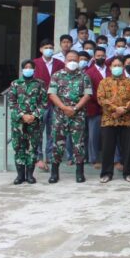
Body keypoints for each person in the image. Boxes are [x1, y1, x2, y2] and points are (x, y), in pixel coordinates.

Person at [47, 50, 93, 184]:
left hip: (77, 115)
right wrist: (64, 108)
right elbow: (52, 94)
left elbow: (87, 95)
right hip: (60, 115)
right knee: (57, 143)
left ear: (78, 61)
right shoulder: (56, 75)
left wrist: (75, 108)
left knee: (79, 144)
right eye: (69, 59)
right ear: (65, 61)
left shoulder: (84, 76)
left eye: (75, 60)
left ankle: (80, 173)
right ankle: (54, 173)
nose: (72, 62)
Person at [96, 57, 130, 183]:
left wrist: (124, 109)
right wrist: (115, 109)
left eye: (119, 65)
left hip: (127, 119)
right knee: (108, 148)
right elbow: (101, 99)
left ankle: (128, 173)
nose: (117, 67)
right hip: (109, 119)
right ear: (110, 67)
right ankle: (107, 173)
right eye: (115, 65)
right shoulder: (104, 82)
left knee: (128, 148)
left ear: (123, 67)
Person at [9, 60, 48, 185]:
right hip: (18, 122)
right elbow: (12, 103)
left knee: (32, 148)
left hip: (34, 122)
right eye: (25, 67)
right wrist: (22, 115)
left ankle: (30, 175)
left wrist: (34, 115)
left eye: (30, 67)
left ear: (34, 69)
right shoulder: (15, 84)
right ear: (22, 69)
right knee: (19, 147)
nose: (28, 69)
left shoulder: (40, 84)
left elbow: (44, 102)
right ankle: (20, 175)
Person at [33, 39, 64, 172]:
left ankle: (50, 156)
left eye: (51, 47)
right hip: (40, 103)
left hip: (55, 102)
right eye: (46, 47)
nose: (49, 49)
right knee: (38, 131)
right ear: (41, 49)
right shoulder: (34, 64)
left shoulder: (59, 63)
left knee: (53, 131)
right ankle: (38, 157)